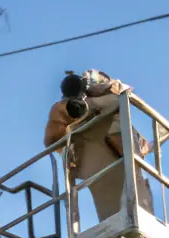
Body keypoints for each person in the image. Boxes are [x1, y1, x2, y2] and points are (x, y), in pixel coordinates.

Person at [43, 68, 154, 225]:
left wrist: (94, 99)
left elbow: (121, 95)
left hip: (129, 186)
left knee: (133, 209)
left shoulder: (113, 105)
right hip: (102, 178)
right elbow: (52, 139)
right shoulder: (67, 113)